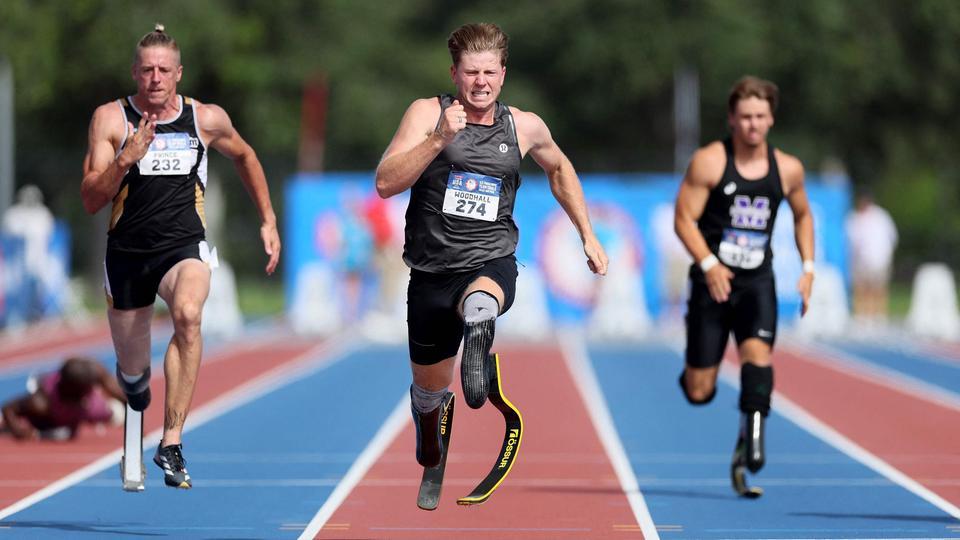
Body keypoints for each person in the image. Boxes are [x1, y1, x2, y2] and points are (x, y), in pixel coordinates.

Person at [374, 23, 608, 472]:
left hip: (490, 258)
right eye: (470, 72)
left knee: (482, 300)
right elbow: (386, 182)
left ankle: (479, 326)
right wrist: (438, 138)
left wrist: (587, 234)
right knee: (429, 390)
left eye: (489, 72)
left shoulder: (524, 126)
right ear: (453, 74)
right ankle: (429, 426)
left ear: (503, 74)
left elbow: (560, 170)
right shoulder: (427, 114)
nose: (480, 82)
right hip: (430, 271)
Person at [80, 25, 280, 488]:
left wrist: (268, 219)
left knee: (188, 315)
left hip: (183, 246)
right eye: (146, 69)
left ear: (178, 74)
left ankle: (171, 442)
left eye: (163, 70)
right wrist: (125, 159)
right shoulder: (111, 120)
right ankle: (134, 394)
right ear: (134, 72)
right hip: (127, 254)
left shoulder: (204, 118)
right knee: (133, 377)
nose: (154, 78)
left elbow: (246, 156)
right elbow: (91, 199)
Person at [673, 76, 814, 494]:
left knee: (758, 356)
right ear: (732, 119)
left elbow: (804, 215)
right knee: (699, 391)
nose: (753, 125)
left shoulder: (787, 168)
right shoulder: (709, 162)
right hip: (712, 283)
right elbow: (683, 219)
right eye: (745, 117)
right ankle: (697, 374)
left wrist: (808, 268)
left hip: (757, 282)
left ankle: (752, 432)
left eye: (760, 117)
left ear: (771, 119)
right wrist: (709, 262)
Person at [1, 357, 126, 441]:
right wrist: (17, 430)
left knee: (115, 413)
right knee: (65, 434)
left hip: (74, 409)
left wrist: (132, 413)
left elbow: (119, 393)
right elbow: (8, 408)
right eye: (87, 389)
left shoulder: (93, 371)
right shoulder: (40, 403)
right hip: (53, 415)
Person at [845, 192, 898, 323]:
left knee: (878, 288)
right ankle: (862, 316)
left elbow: (892, 236)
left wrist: (887, 253)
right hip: (863, 259)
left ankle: (878, 315)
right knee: (862, 288)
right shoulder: (855, 219)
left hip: (879, 258)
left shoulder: (881, 217)